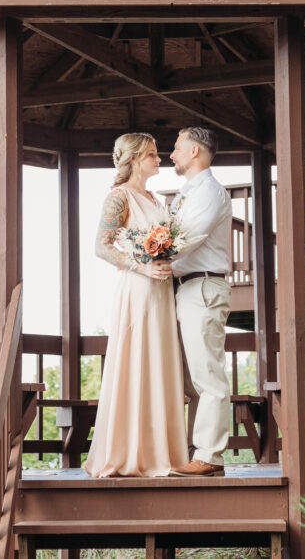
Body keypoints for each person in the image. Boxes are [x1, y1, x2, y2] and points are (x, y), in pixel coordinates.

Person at [84, 133, 189, 477]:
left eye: (158, 154)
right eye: (152, 155)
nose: (159, 160)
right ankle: (128, 453)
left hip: (162, 291)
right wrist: (142, 265)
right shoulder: (119, 197)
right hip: (138, 289)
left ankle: (163, 453)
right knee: (137, 362)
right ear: (133, 159)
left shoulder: (157, 200)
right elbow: (101, 246)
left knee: (160, 363)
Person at [167, 127, 233, 478]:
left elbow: (186, 239)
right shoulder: (187, 192)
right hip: (185, 288)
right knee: (191, 379)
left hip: (203, 287)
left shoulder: (208, 191)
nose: (171, 154)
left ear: (195, 151)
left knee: (208, 375)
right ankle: (193, 450)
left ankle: (210, 456)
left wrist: (149, 259)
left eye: (177, 148)